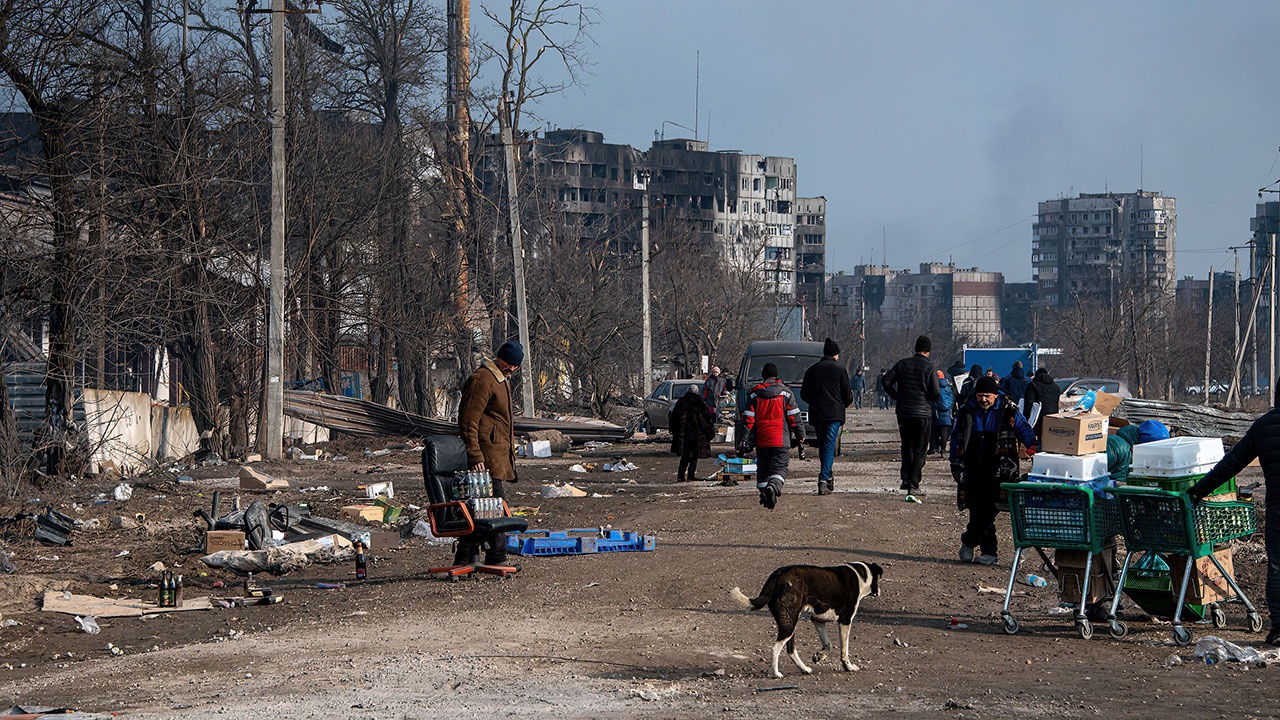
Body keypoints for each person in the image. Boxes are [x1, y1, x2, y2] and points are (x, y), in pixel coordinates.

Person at [1187, 393, 1280, 646]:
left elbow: (1232, 463)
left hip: (1277, 508)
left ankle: (1279, 627)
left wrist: (1198, 490)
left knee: (1277, 567)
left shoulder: (1262, 426)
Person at [949, 376, 1038, 566]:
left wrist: (1032, 445)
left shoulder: (1008, 410)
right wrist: (955, 462)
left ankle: (968, 540)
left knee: (990, 509)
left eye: (987, 396)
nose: (983, 400)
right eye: (980, 396)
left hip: (1000, 468)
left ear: (995, 396)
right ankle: (990, 553)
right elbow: (956, 437)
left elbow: (1024, 427)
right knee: (976, 509)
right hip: (972, 466)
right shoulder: (966, 410)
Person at [457, 340, 523, 567]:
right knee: (495, 507)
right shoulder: (483, 379)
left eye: (516, 365)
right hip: (484, 460)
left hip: (495, 457)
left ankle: (466, 558)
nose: (512, 368)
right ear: (500, 358)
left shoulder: (500, 379)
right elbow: (468, 421)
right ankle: (497, 556)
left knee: (483, 509)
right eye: (510, 363)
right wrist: (475, 455)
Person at [881, 335, 941, 503]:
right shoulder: (930, 368)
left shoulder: (902, 364)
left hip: (904, 412)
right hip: (923, 413)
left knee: (907, 445)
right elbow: (936, 392)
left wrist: (897, 396)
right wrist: (927, 399)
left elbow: (886, 380)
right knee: (920, 448)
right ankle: (914, 484)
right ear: (928, 351)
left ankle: (906, 478)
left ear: (915, 349)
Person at [744, 362, 805, 510]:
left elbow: (748, 420)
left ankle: (765, 492)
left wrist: (744, 439)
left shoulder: (754, 394)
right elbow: (795, 418)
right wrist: (800, 435)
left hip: (762, 440)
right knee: (780, 469)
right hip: (780, 440)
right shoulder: (786, 394)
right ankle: (772, 488)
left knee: (763, 470)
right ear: (777, 376)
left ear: (763, 377)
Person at [801, 338, 854, 495]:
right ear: (836, 354)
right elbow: (848, 395)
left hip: (817, 413)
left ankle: (827, 476)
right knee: (829, 445)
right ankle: (824, 479)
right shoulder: (840, 370)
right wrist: (841, 404)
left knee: (824, 444)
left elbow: (804, 394)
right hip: (834, 414)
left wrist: (815, 402)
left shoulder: (812, 370)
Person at [670, 385, 716, 482]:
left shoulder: (681, 402)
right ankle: (691, 475)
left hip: (684, 434)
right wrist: (709, 431)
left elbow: (674, 418)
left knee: (685, 456)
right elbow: (706, 418)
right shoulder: (700, 403)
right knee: (695, 455)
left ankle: (680, 476)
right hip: (697, 434)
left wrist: (674, 431)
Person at [1022, 366, 1062, 441]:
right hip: (1052, 416)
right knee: (1049, 439)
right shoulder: (1056, 387)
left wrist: (1025, 418)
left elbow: (1029, 403)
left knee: (1038, 439)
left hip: (1038, 418)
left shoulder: (1033, 385)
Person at [931, 370, 954, 457]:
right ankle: (943, 449)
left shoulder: (934, 386)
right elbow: (952, 398)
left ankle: (935, 447)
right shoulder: (948, 386)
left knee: (935, 430)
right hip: (947, 411)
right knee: (944, 431)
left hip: (937, 411)